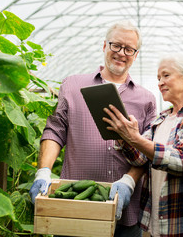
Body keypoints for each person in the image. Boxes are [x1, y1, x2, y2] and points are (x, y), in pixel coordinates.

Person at [29, 20, 157, 237]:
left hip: (125, 213)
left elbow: (148, 151)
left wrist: (128, 181)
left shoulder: (146, 99)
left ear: (136, 55)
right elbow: (55, 131)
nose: (121, 53)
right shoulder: (72, 85)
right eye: (116, 45)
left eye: (129, 49)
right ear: (104, 46)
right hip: (75, 206)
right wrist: (43, 172)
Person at [103, 53, 183, 236]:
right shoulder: (160, 119)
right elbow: (139, 159)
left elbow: (182, 160)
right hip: (155, 224)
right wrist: (122, 135)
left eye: (166, 75)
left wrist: (135, 138)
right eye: (158, 78)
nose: (160, 82)